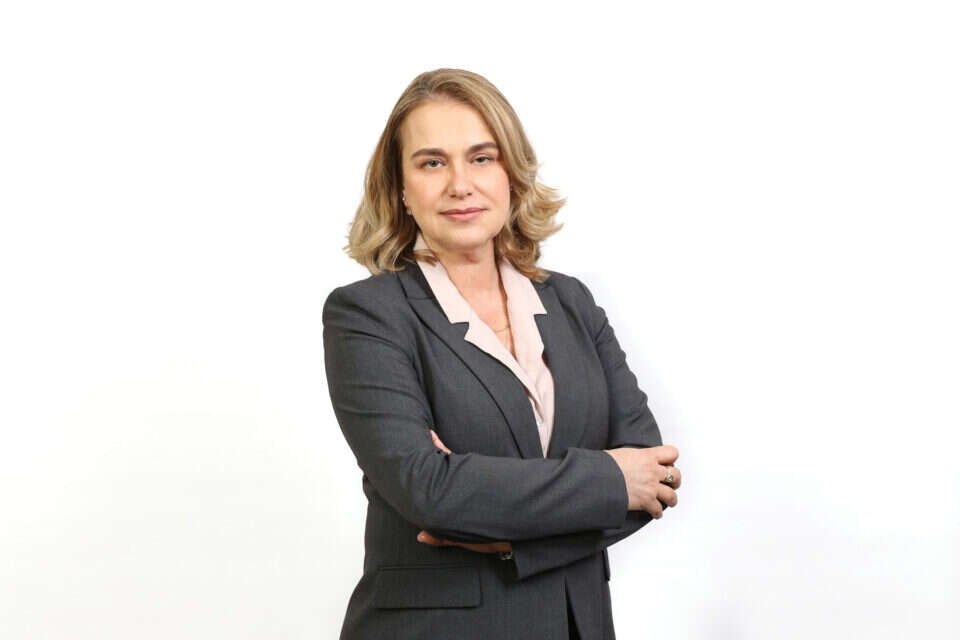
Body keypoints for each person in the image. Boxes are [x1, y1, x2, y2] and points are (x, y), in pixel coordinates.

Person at [323, 68, 682, 640]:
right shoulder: (368, 316)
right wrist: (610, 478)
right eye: (432, 163)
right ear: (401, 189)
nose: (460, 184)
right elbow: (429, 490)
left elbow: (652, 477)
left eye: (482, 158)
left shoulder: (569, 301)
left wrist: (511, 538)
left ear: (511, 173)